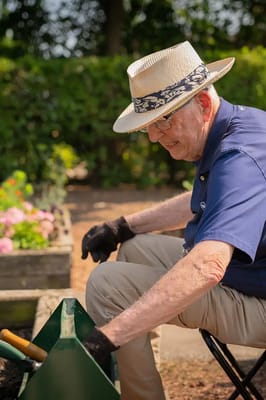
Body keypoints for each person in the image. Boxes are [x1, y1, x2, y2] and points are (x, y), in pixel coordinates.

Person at [81, 41, 266, 400]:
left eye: (164, 120)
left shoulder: (239, 156)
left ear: (203, 102)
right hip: (252, 276)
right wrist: (124, 226)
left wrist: (107, 337)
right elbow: (213, 197)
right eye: (147, 126)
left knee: (107, 284)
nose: (153, 136)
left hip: (259, 302)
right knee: (135, 247)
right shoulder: (242, 125)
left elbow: (209, 266)